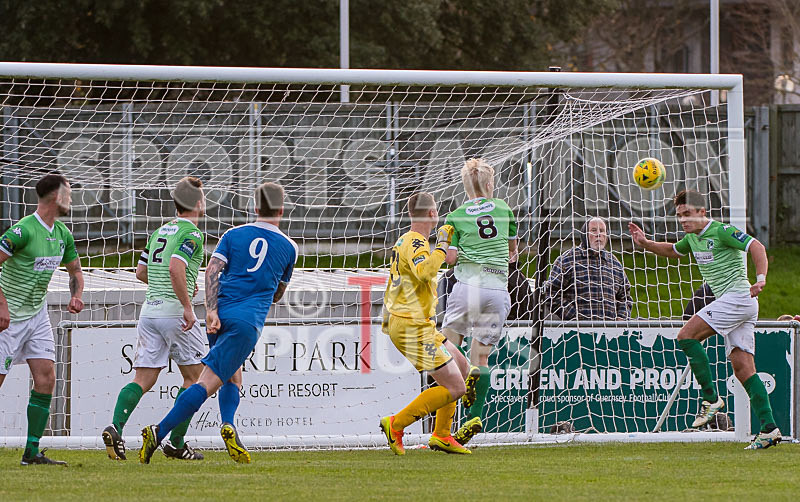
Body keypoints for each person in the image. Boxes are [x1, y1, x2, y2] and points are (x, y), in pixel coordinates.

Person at [139, 182, 297, 464]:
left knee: (233, 376)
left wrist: (210, 310)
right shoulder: (289, 247)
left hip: (219, 314)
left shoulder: (233, 234)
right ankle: (158, 432)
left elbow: (212, 270)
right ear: (282, 210)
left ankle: (228, 425)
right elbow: (277, 294)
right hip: (247, 323)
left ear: (255, 207)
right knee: (206, 383)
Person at [629, 189, 780, 449]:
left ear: (702, 212)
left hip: (738, 298)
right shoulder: (691, 238)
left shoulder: (721, 231)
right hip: (738, 304)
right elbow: (674, 250)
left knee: (686, 336)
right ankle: (769, 428)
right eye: (679, 216)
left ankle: (711, 399)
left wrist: (761, 279)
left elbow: (757, 246)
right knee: (743, 368)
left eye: (688, 214)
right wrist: (646, 243)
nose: (683, 220)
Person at [102, 177, 206, 461]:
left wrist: (182, 283)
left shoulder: (160, 231)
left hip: (149, 313)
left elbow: (141, 272)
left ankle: (115, 427)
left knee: (144, 378)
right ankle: (175, 442)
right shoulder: (192, 234)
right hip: (174, 313)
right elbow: (175, 268)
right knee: (197, 380)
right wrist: (186, 303)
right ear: (198, 203)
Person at [0, 173, 84, 465]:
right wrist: (1, 305)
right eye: (69, 194)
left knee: (46, 377)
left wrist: (77, 295)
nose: (72, 199)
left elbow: (75, 270)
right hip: (9, 317)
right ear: (56, 196)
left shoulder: (62, 234)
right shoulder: (23, 231)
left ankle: (31, 451)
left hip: (37, 315)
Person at [379, 191, 471, 455]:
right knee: (456, 387)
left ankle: (442, 435)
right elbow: (426, 272)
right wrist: (442, 244)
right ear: (433, 214)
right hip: (410, 326)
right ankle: (396, 424)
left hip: (419, 324)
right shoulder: (417, 243)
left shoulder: (408, 241)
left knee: (463, 367)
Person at [440, 158, 518, 447]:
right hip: (497, 289)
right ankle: (474, 414)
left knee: (447, 346)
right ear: (489, 184)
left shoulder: (456, 215)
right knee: (481, 357)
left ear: (465, 186)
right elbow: (512, 250)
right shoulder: (504, 209)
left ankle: (444, 427)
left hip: (468, 287)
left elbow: (449, 257)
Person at [541, 217, 632, 321]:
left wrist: (621, 317)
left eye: (602, 231)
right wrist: (576, 317)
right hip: (576, 332)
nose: (598, 234)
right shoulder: (568, 260)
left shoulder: (614, 263)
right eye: (594, 230)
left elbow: (625, 296)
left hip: (609, 333)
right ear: (584, 234)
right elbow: (551, 293)